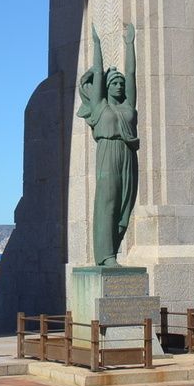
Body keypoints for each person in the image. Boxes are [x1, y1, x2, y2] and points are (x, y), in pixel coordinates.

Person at [76, 24, 138, 265]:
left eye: (121, 84)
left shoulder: (128, 107)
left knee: (125, 206)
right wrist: (97, 45)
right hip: (108, 152)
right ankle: (106, 256)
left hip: (128, 154)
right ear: (106, 88)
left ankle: (114, 250)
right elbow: (99, 74)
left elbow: (131, 75)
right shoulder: (101, 106)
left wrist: (130, 44)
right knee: (108, 202)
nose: (120, 86)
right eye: (115, 83)